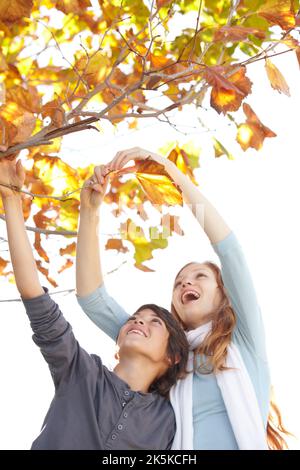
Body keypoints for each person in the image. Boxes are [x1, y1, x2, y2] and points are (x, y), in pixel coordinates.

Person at [76, 147, 289, 450]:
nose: (186, 281)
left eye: (200, 276)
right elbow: (92, 299)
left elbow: (230, 251)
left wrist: (170, 172)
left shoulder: (245, 341)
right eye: (178, 282)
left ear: (224, 295)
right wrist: (90, 211)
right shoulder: (162, 349)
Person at [0, 157, 188, 450]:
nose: (139, 321)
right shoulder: (79, 370)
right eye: (136, 317)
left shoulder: (170, 423)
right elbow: (34, 294)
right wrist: (11, 199)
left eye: (155, 322)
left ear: (173, 357)